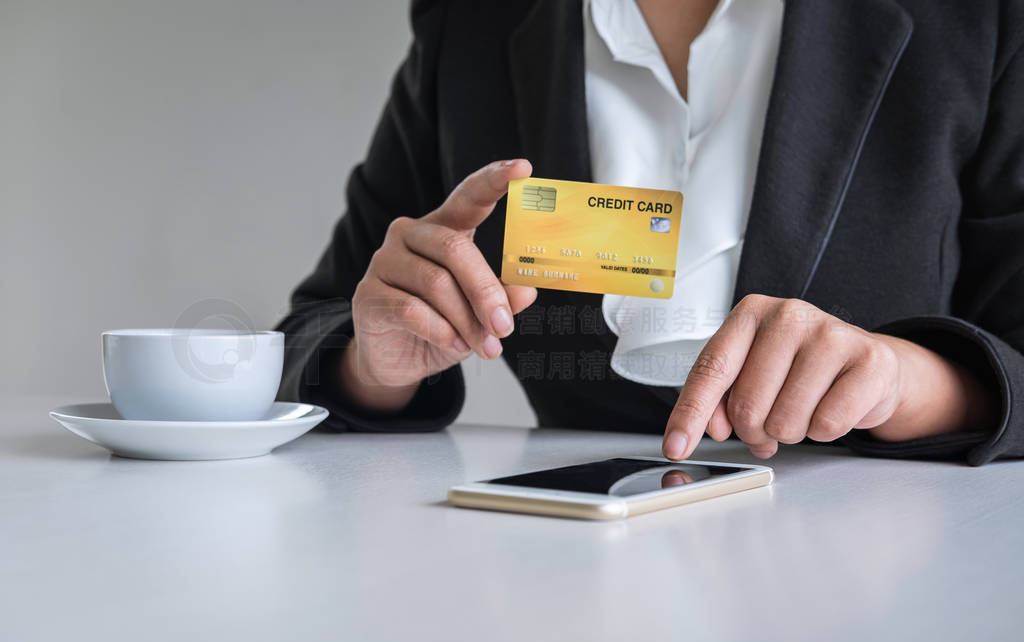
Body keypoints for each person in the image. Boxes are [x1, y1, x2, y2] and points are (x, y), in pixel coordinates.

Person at [276, 0, 1024, 466]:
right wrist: (374, 366)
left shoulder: (975, 19)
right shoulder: (474, 24)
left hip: (885, 575)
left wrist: (907, 384)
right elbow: (316, 334)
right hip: (564, 577)